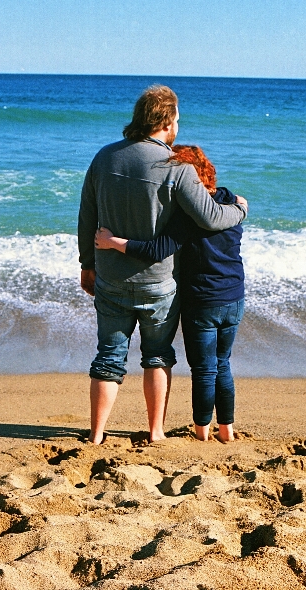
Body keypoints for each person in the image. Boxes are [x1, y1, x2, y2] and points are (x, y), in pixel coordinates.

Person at [78, 85, 246, 444]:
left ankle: (96, 434)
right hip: (159, 283)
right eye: (177, 121)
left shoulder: (104, 158)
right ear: (167, 121)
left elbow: (87, 216)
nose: (178, 128)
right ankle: (156, 432)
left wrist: (87, 264)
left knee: (108, 356)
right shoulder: (177, 167)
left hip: (110, 276)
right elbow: (211, 218)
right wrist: (241, 208)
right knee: (157, 355)